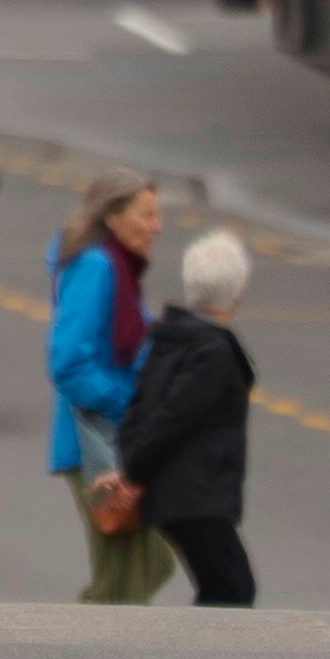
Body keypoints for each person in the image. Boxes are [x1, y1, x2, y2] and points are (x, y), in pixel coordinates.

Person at [114, 221, 261, 605]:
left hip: (181, 493)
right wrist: (134, 469)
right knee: (231, 589)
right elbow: (173, 416)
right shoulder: (212, 352)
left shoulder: (171, 337)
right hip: (195, 493)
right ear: (239, 290)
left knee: (224, 587)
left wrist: (132, 463)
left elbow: (143, 404)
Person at [47, 180, 170, 604]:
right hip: (96, 446)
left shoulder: (118, 268)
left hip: (119, 443)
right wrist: (127, 406)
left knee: (143, 569)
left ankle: (88, 656)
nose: (158, 226)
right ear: (113, 218)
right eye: (147, 215)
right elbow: (69, 362)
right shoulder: (96, 267)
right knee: (125, 581)